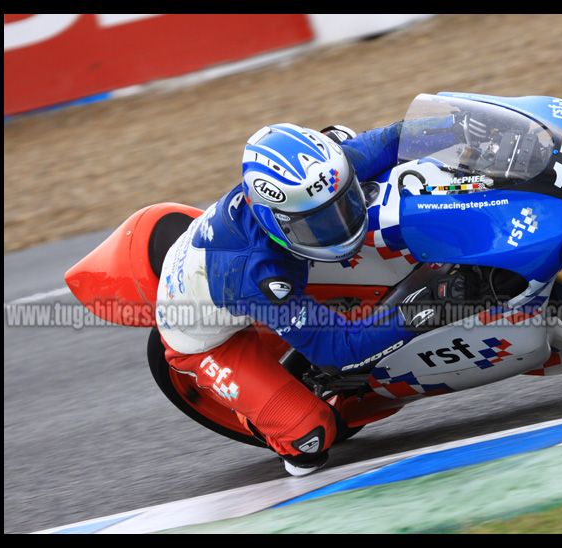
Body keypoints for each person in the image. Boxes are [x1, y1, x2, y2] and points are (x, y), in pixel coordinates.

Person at [155, 121, 426, 476]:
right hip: (199, 335)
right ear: (276, 220)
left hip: (227, 265)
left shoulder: (319, 179)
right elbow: (340, 350)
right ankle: (262, 420)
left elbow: (394, 138)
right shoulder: (256, 275)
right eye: (316, 223)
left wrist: (454, 125)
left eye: (341, 205)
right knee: (310, 440)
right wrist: (425, 309)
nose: (338, 225)